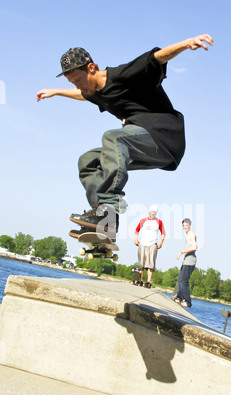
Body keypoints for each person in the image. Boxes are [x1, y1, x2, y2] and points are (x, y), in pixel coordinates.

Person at [36, 35, 214, 236]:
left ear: (92, 68)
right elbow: (84, 95)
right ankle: (103, 220)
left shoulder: (122, 75)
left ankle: (108, 210)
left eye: (78, 80)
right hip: (143, 144)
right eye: (73, 83)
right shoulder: (95, 91)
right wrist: (56, 92)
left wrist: (186, 43)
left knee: (113, 137)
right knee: (88, 161)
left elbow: (157, 57)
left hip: (163, 137)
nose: (78, 87)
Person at [134, 205, 165, 288]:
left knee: (151, 263)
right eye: (152, 211)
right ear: (149, 212)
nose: (153, 213)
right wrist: (136, 239)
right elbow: (137, 230)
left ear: (156, 213)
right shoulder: (143, 220)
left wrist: (161, 243)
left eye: (155, 212)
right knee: (141, 263)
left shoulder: (159, 222)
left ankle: (148, 281)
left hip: (153, 243)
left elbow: (163, 233)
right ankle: (140, 280)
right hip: (143, 243)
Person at [173, 218, 197, 308]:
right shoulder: (187, 234)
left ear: (190, 225)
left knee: (184, 281)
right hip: (186, 260)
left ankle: (187, 302)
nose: (184, 227)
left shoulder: (191, 234)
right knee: (180, 280)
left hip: (190, 261)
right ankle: (179, 298)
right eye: (183, 225)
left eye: (186, 225)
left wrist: (182, 252)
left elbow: (195, 247)